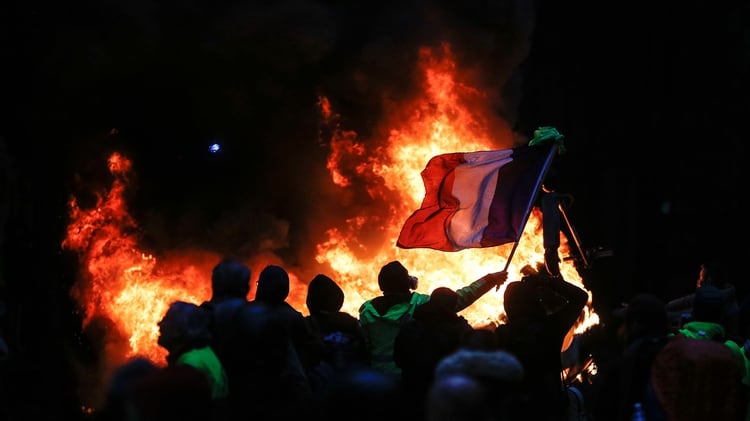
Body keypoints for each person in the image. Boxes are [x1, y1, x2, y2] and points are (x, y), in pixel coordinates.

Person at [358, 260, 507, 376]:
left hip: (378, 378)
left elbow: (364, 345)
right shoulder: (421, 303)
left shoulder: (367, 310)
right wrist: (489, 280)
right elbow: (460, 298)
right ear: (408, 282)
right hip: (412, 377)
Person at [494, 264, 589, 421]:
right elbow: (580, 297)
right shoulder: (550, 328)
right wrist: (545, 281)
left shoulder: (501, 335)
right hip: (548, 407)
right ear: (534, 302)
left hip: (515, 410)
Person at [590, 293, 671, 421]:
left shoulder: (627, 364)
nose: (620, 330)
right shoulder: (672, 357)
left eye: (624, 322)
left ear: (635, 325)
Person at [393, 286, 476, 409]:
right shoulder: (459, 330)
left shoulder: (411, 326)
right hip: (446, 394)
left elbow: (399, 358)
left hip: (413, 392)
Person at [303, 273, 369, 393]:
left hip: (313, 396)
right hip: (349, 392)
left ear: (310, 302)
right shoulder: (352, 325)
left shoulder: (303, 326)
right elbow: (364, 359)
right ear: (337, 301)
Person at [156, 300, 229, 402]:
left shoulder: (191, 364)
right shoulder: (203, 354)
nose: (159, 324)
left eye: (167, 320)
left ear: (180, 330)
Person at [665, 260, 738, 332]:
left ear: (709, 281)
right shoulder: (726, 297)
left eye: (700, 278)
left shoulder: (724, 307)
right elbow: (686, 301)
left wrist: (663, 312)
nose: (698, 281)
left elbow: (686, 311)